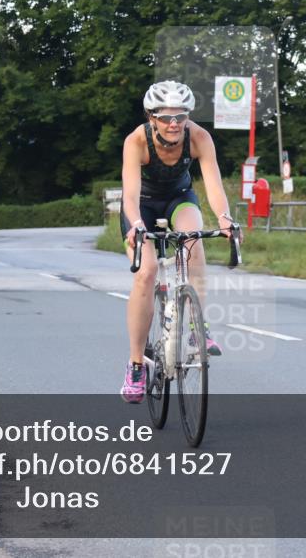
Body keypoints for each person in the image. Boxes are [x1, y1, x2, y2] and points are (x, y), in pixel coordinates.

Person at [119, 80, 235, 403]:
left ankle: (199, 329)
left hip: (178, 199)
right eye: (166, 117)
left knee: (194, 243)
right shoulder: (136, 141)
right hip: (140, 204)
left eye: (180, 117)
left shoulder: (199, 138)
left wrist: (225, 218)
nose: (174, 124)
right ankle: (137, 364)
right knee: (147, 272)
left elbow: (213, 186)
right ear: (151, 117)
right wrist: (137, 225)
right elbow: (128, 196)